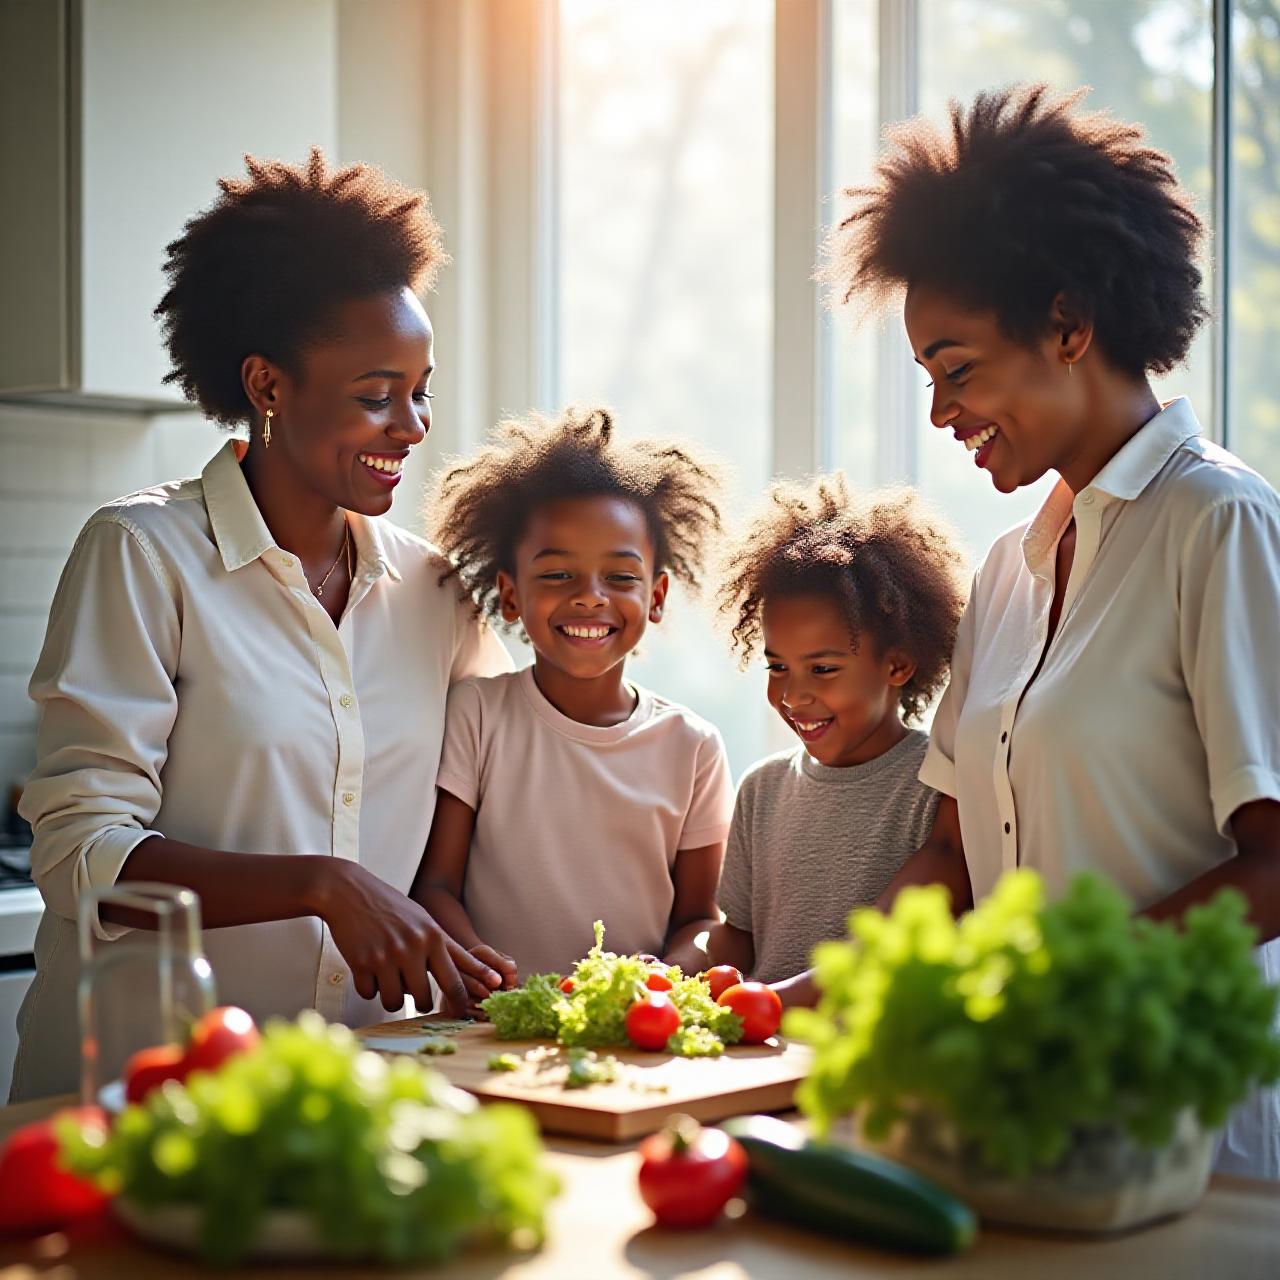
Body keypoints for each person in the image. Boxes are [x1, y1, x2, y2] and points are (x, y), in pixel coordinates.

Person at [828, 84, 1280, 1176]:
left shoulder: (1216, 522)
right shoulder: (1005, 569)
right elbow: (950, 852)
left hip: (1189, 1120)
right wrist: (827, 993)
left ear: (1068, 324)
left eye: (957, 366)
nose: (940, 411)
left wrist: (1067, 996)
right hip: (1024, 1113)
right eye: (927, 377)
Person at [13, 151, 510, 1101]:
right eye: (376, 395)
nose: (411, 427)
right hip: (140, 1098)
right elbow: (80, 857)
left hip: (357, 1094)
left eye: (422, 391)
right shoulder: (143, 553)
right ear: (268, 386)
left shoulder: (436, 592)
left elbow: (489, 797)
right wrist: (321, 884)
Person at [411, 406, 734, 982]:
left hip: (630, 1041)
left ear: (656, 597)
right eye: (558, 575)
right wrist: (477, 965)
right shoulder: (478, 715)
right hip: (486, 1027)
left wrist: (661, 978)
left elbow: (700, 920)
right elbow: (435, 886)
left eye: (620, 577)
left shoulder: (694, 747)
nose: (590, 597)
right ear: (510, 595)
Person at [707, 476, 966, 1005]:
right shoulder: (762, 789)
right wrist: (668, 975)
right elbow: (736, 939)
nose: (793, 696)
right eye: (778, 666)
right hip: (760, 1061)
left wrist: (771, 1003)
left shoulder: (936, 786)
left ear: (897, 664)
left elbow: (889, 952)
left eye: (822, 669)